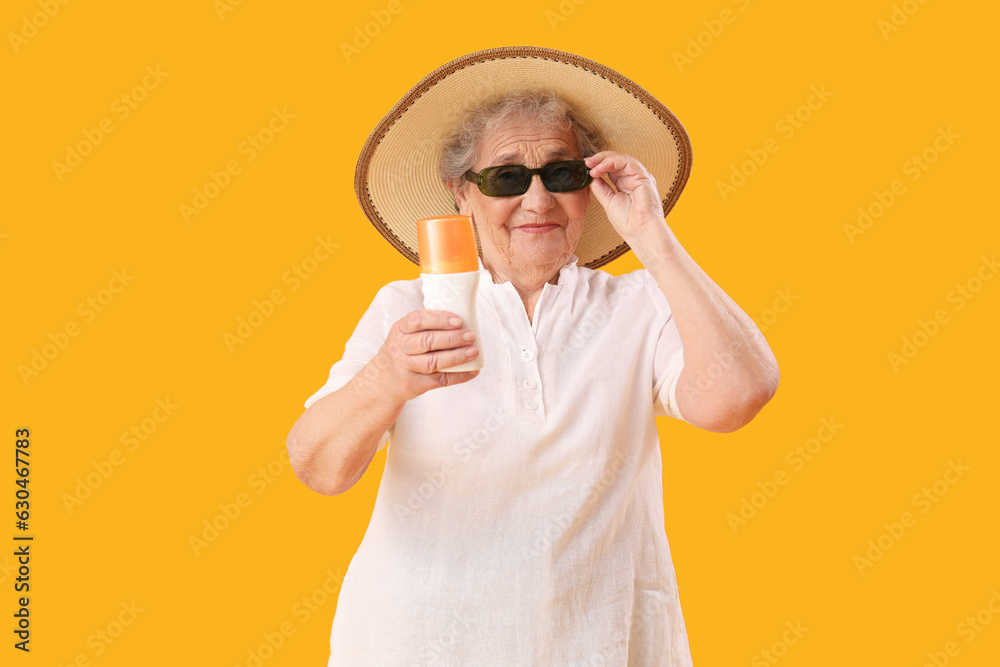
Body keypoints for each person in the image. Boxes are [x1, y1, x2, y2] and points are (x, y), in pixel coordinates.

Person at [286, 46, 779, 666]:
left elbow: (739, 395)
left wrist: (651, 234)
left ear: (590, 188)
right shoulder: (404, 309)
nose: (540, 200)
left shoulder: (639, 305)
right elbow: (319, 468)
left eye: (563, 174)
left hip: (602, 646)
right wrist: (386, 379)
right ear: (462, 195)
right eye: (509, 177)